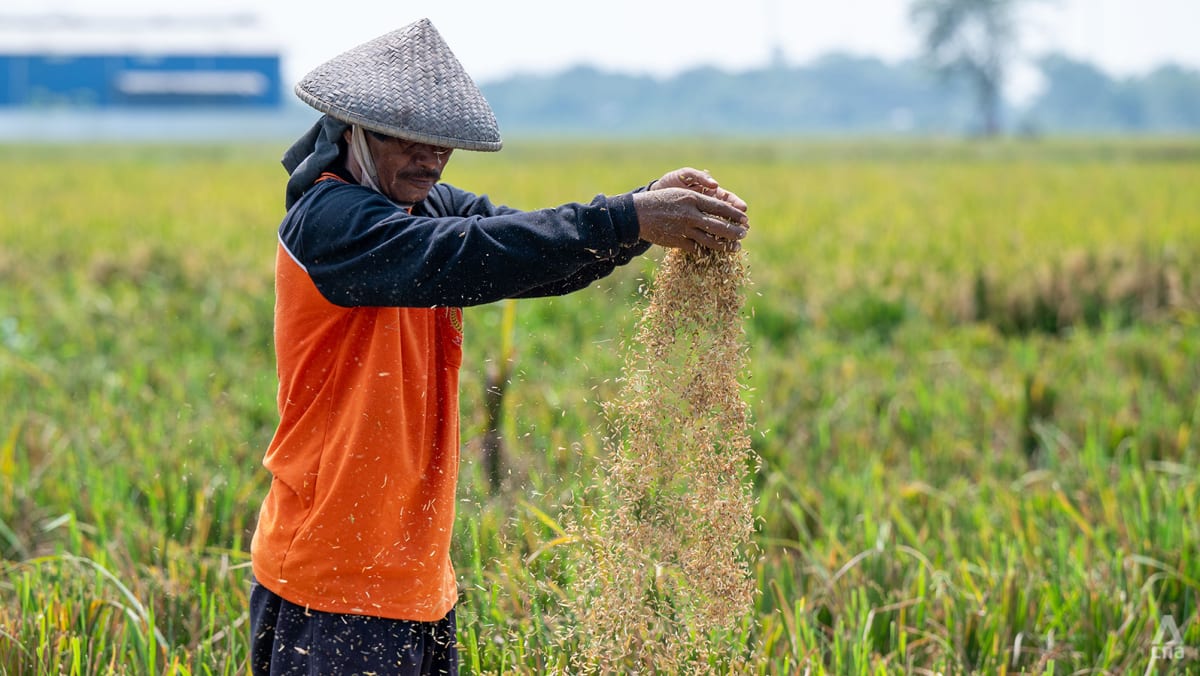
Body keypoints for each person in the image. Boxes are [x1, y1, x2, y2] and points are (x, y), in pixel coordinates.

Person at [248, 18, 749, 675]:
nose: (433, 159)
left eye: (445, 145)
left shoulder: (425, 203)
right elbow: (465, 256)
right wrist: (624, 218)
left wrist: (639, 217)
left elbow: (525, 250)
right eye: (415, 139)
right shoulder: (329, 223)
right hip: (329, 586)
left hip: (417, 583)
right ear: (355, 128)